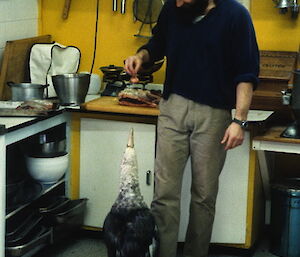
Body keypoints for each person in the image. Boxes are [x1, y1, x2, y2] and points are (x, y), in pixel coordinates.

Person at [124, 0, 259, 256]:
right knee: (164, 194)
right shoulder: (171, 9)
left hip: (214, 114)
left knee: (203, 196)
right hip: (172, 108)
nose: (178, 2)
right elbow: (157, 44)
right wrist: (140, 56)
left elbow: (246, 73)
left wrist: (239, 121)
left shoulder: (235, 15)